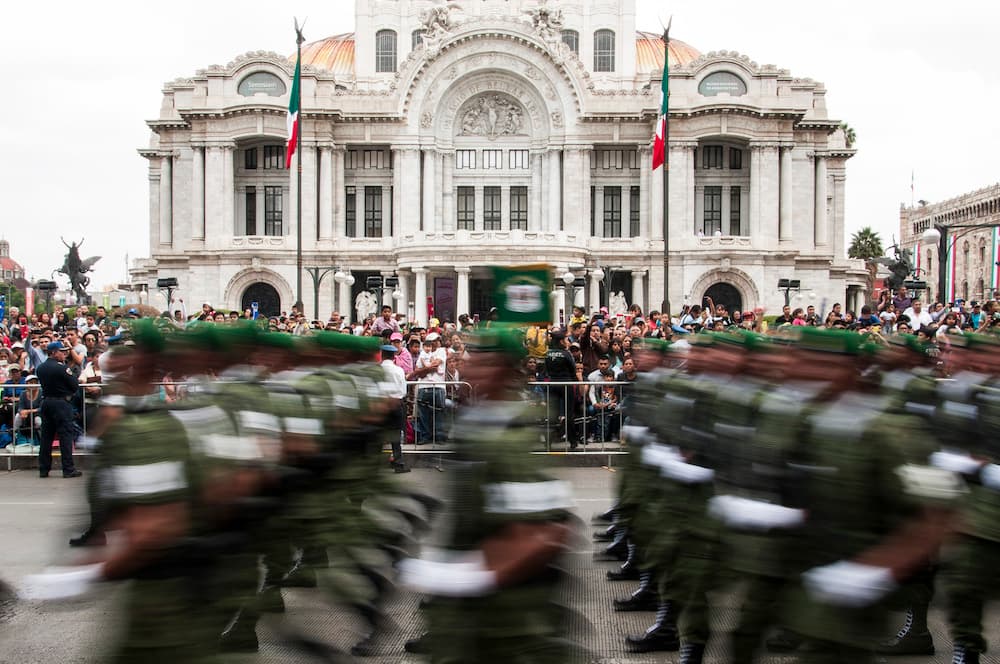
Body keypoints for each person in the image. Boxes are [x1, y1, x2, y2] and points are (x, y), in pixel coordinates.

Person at [35, 341, 81, 478]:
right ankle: (68, 469)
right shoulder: (62, 368)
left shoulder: (41, 368)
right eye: (62, 351)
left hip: (47, 402)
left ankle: (44, 468)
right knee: (65, 436)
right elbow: (74, 385)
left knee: (46, 437)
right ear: (54, 353)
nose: (64, 354)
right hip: (61, 403)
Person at [379, 343, 410, 473]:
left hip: (380, 404)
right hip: (396, 404)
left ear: (382, 355)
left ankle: (374, 465)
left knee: (378, 435)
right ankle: (398, 464)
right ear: (393, 357)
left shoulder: (377, 370)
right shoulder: (399, 370)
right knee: (396, 436)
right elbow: (403, 390)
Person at [413, 331, 447, 444]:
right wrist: (427, 369)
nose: (437, 342)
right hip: (424, 386)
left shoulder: (441, 351)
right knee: (423, 414)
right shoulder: (423, 354)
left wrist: (425, 369)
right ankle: (425, 436)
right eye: (434, 341)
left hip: (438, 386)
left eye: (437, 340)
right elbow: (418, 372)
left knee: (439, 412)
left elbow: (435, 364)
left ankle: (439, 437)